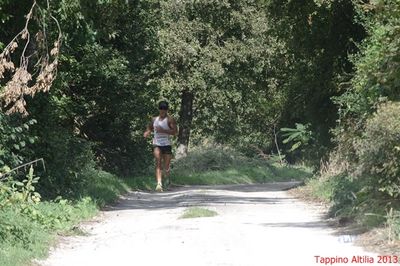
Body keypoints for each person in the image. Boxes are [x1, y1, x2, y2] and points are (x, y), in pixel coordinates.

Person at [143, 100, 178, 192]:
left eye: (165, 109)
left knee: (166, 166)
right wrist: (146, 133)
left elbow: (175, 132)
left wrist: (163, 130)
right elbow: (149, 128)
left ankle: (167, 181)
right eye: (161, 109)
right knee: (158, 162)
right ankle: (159, 184)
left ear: (167, 110)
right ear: (159, 109)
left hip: (166, 144)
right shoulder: (154, 119)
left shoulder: (170, 119)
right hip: (157, 143)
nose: (163, 111)